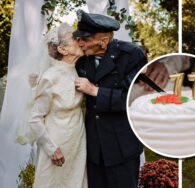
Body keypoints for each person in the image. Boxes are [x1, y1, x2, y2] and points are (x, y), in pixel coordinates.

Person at [73, 10, 146, 188]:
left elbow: (135, 99)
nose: (79, 43)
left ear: (103, 41)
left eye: (85, 39)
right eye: (78, 38)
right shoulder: (81, 60)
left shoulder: (131, 55)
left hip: (122, 146)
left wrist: (96, 91)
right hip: (94, 148)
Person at [28, 23, 87, 187]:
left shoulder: (77, 70)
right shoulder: (50, 77)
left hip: (77, 142)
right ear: (63, 49)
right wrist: (51, 148)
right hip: (57, 145)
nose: (80, 40)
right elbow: (35, 118)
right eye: (75, 38)